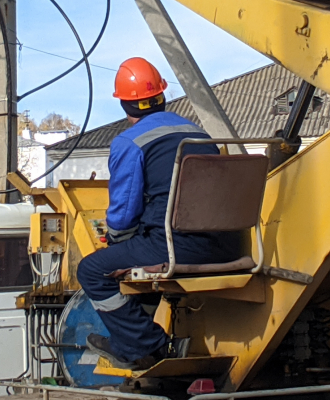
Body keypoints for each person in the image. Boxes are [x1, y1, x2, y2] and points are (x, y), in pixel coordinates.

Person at [80, 58, 243, 370]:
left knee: (93, 271)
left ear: (125, 105)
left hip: (175, 246)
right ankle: (136, 343)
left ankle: (143, 345)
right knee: (132, 259)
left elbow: (124, 213)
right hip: (227, 245)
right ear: (162, 96)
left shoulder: (130, 141)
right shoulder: (198, 133)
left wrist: (116, 242)